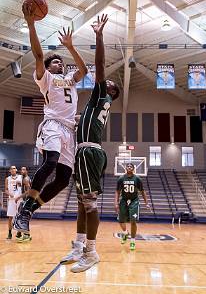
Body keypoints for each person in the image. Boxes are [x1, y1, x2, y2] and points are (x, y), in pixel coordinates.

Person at [13, 3, 87, 234]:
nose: (60, 64)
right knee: (51, 161)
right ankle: (25, 210)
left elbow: (83, 70)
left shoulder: (70, 80)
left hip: (68, 130)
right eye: (56, 62)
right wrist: (31, 24)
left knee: (64, 178)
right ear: (47, 67)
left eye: (61, 62)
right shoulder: (44, 78)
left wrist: (71, 47)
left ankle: (29, 210)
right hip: (53, 125)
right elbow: (37, 54)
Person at [61, 14, 120, 272]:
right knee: (81, 204)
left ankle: (92, 251)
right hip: (83, 152)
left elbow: (100, 64)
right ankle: (79, 246)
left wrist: (98, 35)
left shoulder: (100, 96)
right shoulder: (94, 107)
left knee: (89, 202)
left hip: (89, 153)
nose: (104, 80)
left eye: (108, 83)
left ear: (111, 92)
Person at [115, 163, 150, 250]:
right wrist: (116, 203)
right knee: (120, 221)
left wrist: (146, 203)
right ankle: (126, 233)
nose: (129, 167)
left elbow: (142, 191)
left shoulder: (137, 179)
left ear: (133, 168)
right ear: (126, 168)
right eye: (128, 166)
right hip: (123, 201)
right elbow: (117, 191)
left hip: (134, 201)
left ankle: (133, 241)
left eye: (131, 166)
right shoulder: (121, 178)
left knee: (133, 221)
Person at [5, 166, 22, 239]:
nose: (13, 169)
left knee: (19, 216)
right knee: (10, 217)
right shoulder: (7, 179)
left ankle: (19, 232)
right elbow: (6, 190)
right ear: (9, 170)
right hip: (11, 200)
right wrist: (10, 194)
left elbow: (24, 187)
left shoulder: (20, 177)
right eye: (11, 168)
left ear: (16, 170)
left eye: (14, 168)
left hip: (19, 199)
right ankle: (9, 233)